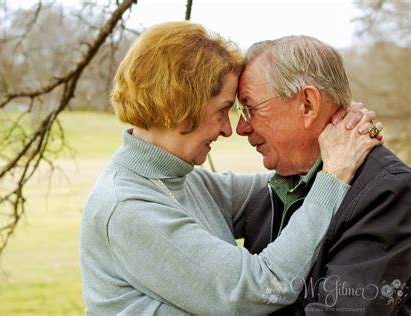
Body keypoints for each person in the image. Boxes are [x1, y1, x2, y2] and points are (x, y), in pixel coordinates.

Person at [80, 22, 381, 315]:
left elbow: (284, 186)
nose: (229, 129)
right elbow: (263, 288)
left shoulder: (182, 182)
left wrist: (341, 132)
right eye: (223, 110)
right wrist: (335, 173)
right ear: (177, 109)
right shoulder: (127, 207)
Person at [236, 35, 411, 315]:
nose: (241, 128)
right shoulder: (278, 188)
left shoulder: (387, 192)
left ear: (307, 104)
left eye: (249, 108)